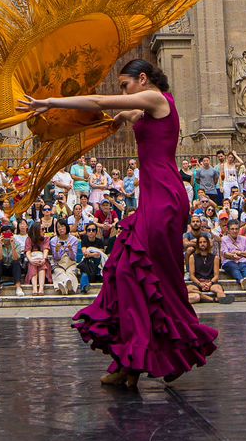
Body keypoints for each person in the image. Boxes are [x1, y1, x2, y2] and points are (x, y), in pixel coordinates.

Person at [26, 60, 217, 387]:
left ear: (143, 79)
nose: (123, 91)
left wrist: (51, 101)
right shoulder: (147, 108)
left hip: (164, 200)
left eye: (126, 85)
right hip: (153, 198)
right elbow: (116, 113)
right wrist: (106, 121)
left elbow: (101, 101)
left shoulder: (156, 99)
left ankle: (146, 356)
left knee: (147, 275)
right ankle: (130, 360)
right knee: (125, 271)